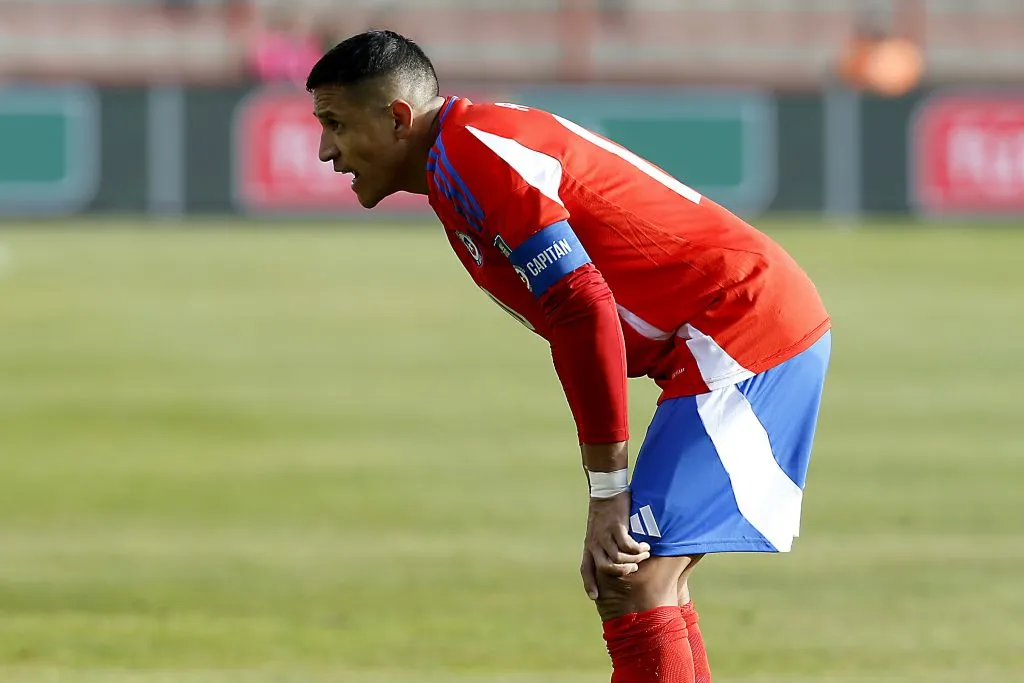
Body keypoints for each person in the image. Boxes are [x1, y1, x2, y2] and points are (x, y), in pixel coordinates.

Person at [305, 30, 831, 683]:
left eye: (335, 124)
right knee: (644, 579)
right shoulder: (460, 156)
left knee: (632, 577)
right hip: (725, 331)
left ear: (397, 118)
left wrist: (607, 491)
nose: (325, 150)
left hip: (742, 327)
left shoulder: (474, 155)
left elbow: (582, 308)